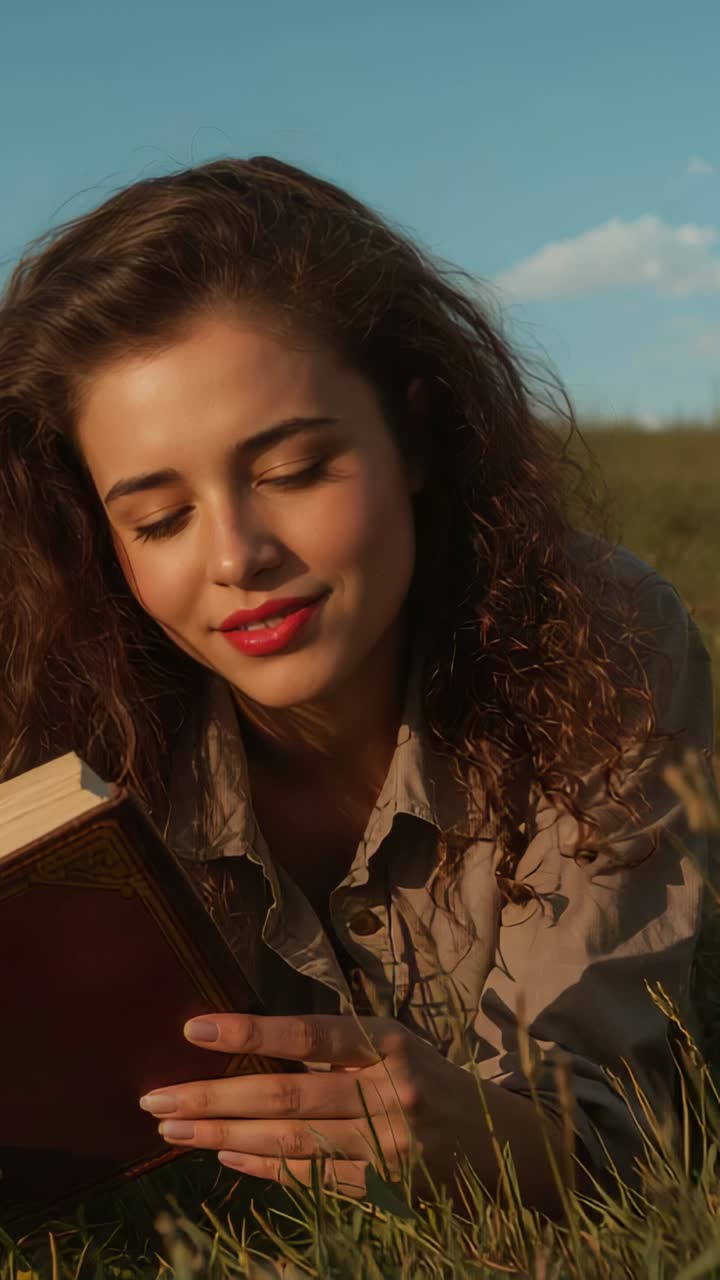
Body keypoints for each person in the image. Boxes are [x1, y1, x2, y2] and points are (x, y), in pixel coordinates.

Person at [0, 156, 715, 1218]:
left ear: (415, 435)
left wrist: (496, 1145)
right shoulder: (61, 726)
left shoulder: (601, 641)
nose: (237, 556)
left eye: (292, 470)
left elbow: (612, 1131)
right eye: (157, 518)